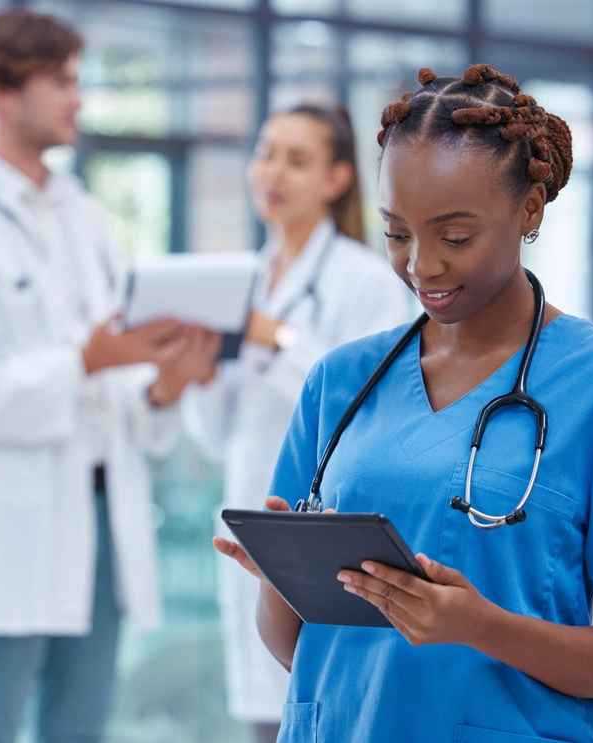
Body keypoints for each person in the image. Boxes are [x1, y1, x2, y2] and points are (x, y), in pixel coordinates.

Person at [214, 64, 593, 743]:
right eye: (397, 234)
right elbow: (297, 646)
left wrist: (479, 626)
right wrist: (282, 575)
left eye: (455, 236)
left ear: (530, 209)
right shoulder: (340, 382)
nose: (422, 266)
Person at [0, 10, 219, 743]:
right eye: (64, 82)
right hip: (7, 524)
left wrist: (164, 383)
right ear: (4, 92)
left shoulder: (85, 217)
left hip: (102, 520)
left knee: (80, 727)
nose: (80, 99)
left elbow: (116, 382)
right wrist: (84, 361)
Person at [183, 104, 407, 741]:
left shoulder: (366, 280)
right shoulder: (244, 279)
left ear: (337, 179)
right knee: (265, 718)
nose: (272, 171)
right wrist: (199, 375)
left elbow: (364, 403)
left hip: (323, 532)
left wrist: (274, 336)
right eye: (266, 152)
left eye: (297, 158)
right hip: (255, 521)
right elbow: (217, 432)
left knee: (324, 707)